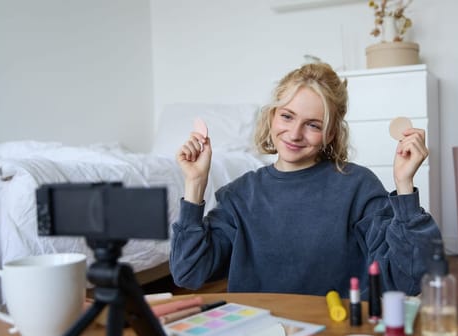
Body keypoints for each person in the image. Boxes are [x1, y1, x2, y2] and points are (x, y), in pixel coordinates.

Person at [171, 63, 441, 298]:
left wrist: (404, 185)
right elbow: (189, 274)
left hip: (335, 331)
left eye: (313, 125)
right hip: (260, 332)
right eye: (287, 116)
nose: (295, 134)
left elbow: (410, 278)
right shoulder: (239, 195)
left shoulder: (357, 186)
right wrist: (195, 184)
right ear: (272, 116)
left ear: (331, 134)